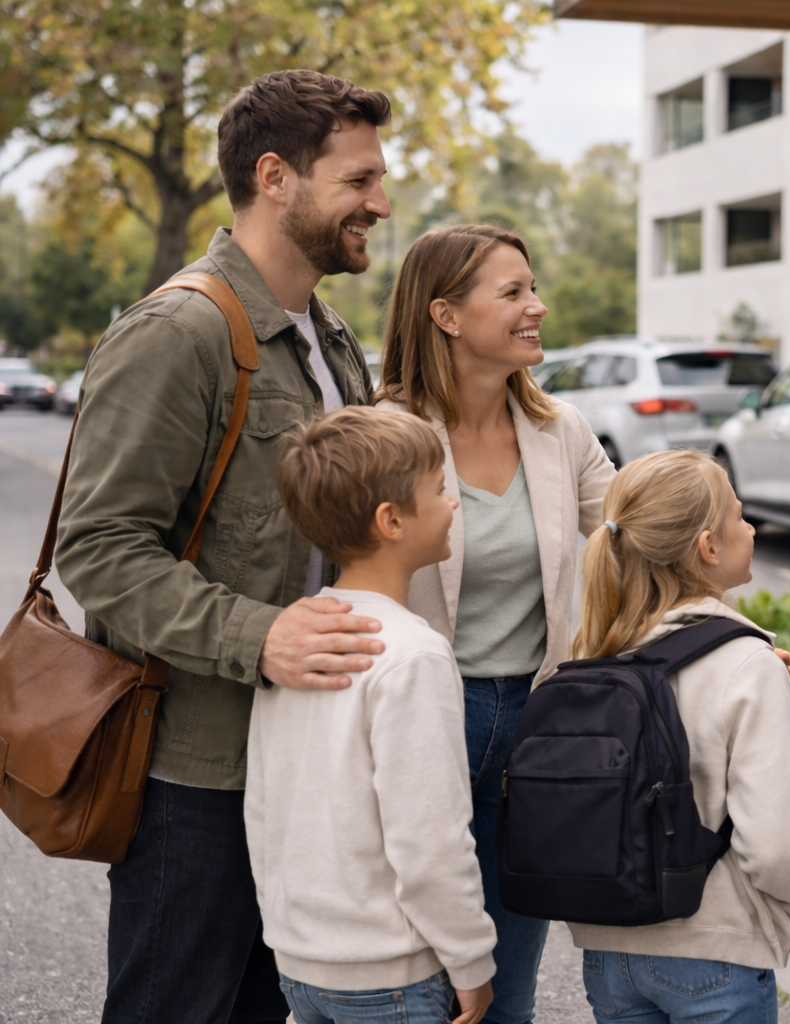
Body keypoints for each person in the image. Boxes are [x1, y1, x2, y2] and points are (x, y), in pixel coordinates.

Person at [55, 70, 396, 1023]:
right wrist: (263, 639)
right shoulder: (181, 330)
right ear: (276, 176)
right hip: (193, 778)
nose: (379, 200)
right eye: (358, 179)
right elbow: (100, 547)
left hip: (300, 760)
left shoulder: (326, 338)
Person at [375, 222, 611, 1024]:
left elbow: (648, 544)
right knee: (419, 982)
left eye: (532, 288)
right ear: (445, 315)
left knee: (505, 994)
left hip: (539, 726)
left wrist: (733, 643)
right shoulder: (386, 436)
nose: (536, 306)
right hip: (425, 722)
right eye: (513, 293)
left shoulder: (560, 431)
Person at [251, 406, 495, 1024]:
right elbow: (429, 837)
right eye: (440, 489)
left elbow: (267, 803)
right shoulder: (412, 655)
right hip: (392, 978)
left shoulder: (298, 639)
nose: (453, 504)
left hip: (300, 965)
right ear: (391, 520)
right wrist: (472, 963)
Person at [566, 449, 790, 1024]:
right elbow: (773, 840)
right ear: (708, 547)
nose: (750, 527)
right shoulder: (748, 665)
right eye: (740, 515)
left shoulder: (595, 651)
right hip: (714, 950)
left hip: (609, 951)